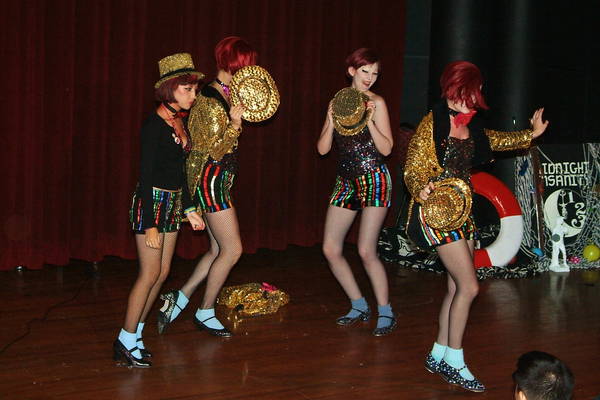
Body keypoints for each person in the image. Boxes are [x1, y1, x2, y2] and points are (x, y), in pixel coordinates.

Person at [404, 60, 549, 391]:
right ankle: (455, 362)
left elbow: (496, 140)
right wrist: (420, 187)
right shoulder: (432, 123)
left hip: (462, 213)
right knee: (469, 287)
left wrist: (530, 134)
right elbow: (413, 166)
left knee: (456, 287)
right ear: (455, 90)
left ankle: (439, 353)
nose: (475, 97)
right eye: (471, 92)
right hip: (437, 214)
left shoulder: (472, 125)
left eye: (477, 92)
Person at [157, 37, 256, 337]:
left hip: (218, 179)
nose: (248, 70)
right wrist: (235, 126)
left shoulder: (224, 94)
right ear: (232, 64)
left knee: (216, 250)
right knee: (233, 250)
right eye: (245, 64)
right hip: (212, 180)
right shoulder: (211, 100)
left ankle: (179, 298)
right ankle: (205, 310)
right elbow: (214, 151)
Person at [113, 53, 205, 368]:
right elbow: (146, 175)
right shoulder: (153, 126)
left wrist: (189, 207)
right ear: (169, 90)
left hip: (173, 203)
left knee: (163, 272)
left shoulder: (178, 121)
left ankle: (136, 335)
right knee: (149, 273)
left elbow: (181, 172)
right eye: (187, 89)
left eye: (194, 90)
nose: (193, 95)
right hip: (151, 204)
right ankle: (124, 340)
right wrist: (150, 224)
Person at [317, 48, 395, 336]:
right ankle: (359, 304)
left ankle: (385, 311)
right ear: (351, 70)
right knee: (330, 248)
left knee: (365, 250)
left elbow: (387, 149)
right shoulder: (338, 102)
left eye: (375, 73)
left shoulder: (377, 102)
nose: (370, 78)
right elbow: (322, 149)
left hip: (375, 178)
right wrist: (330, 120)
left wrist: (370, 120)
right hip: (346, 180)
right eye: (365, 71)